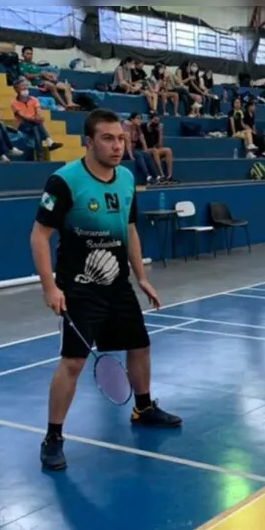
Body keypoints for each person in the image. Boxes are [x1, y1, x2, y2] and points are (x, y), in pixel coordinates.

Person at [30, 108, 182, 471]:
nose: (117, 146)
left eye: (121, 139)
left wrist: (140, 275)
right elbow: (39, 235)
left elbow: (129, 230)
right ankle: (53, 437)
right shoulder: (64, 181)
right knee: (73, 362)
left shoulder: (127, 178)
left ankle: (143, 407)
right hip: (80, 289)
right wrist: (50, 287)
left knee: (140, 345)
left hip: (117, 284)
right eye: (108, 139)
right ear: (89, 142)